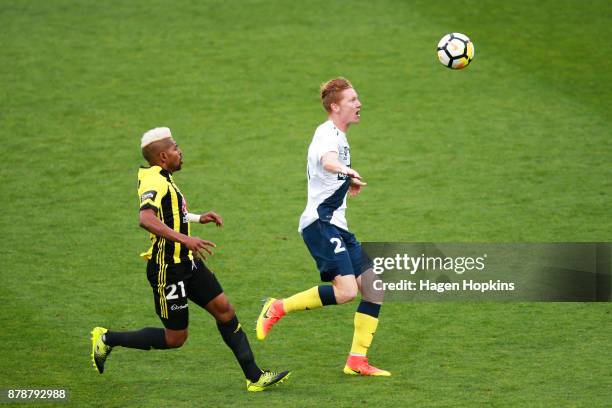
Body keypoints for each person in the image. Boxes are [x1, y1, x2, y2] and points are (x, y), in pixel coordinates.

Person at [91, 127, 290, 391]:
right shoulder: (155, 181)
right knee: (176, 338)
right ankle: (107, 338)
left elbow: (169, 213)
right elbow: (146, 219)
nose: (180, 151)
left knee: (225, 311)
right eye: (175, 148)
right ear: (163, 155)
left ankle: (255, 377)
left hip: (188, 263)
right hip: (167, 269)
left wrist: (198, 218)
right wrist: (186, 239)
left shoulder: (163, 176)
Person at [256, 78, 390, 376]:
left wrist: (348, 180)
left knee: (374, 288)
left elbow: (330, 169)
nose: (359, 104)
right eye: (353, 100)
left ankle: (356, 361)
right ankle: (277, 307)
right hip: (320, 224)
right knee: (345, 292)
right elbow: (328, 161)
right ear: (335, 106)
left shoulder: (340, 136)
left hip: (337, 226)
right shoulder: (326, 134)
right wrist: (346, 170)